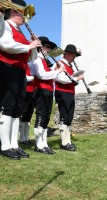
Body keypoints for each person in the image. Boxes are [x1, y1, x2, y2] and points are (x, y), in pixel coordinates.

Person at [0, 0, 42, 160]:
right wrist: (28, 46)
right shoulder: (5, 24)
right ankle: (4, 145)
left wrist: (34, 47)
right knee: (7, 106)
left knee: (17, 108)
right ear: (14, 12)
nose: (25, 17)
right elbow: (4, 44)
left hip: (20, 71)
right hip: (7, 68)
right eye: (22, 13)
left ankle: (14, 144)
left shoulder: (20, 31)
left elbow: (31, 58)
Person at [30, 36, 65, 154]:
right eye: (47, 46)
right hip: (40, 90)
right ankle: (38, 144)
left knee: (46, 117)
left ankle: (43, 143)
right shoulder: (37, 59)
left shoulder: (46, 61)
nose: (49, 49)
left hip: (49, 90)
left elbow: (51, 77)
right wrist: (57, 71)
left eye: (49, 47)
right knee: (41, 116)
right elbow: (41, 75)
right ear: (41, 47)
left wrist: (55, 70)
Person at [54, 44, 84, 151]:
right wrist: (77, 79)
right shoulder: (59, 63)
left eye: (75, 55)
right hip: (62, 92)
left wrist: (75, 78)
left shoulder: (69, 66)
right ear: (66, 54)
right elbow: (61, 79)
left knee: (69, 117)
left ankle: (68, 141)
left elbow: (70, 80)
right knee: (64, 116)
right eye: (72, 55)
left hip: (70, 92)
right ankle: (64, 142)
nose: (74, 57)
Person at [19, 66, 35, 145]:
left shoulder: (33, 66)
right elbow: (24, 77)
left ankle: (26, 137)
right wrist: (35, 77)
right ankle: (22, 138)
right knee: (23, 114)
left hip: (33, 91)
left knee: (29, 116)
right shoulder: (25, 65)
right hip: (26, 91)